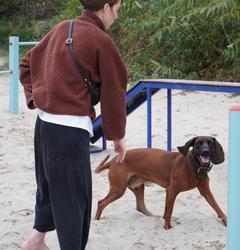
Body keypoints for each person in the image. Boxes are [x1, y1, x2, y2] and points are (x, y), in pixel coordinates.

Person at [20, 0, 127, 249]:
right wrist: (117, 135)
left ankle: (36, 240)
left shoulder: (62, 28)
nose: (117, 17)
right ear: (106, 7)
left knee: (48, 186)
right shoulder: (101, 40)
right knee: (74, 199)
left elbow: (26, 65)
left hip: (44, 125)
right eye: (118, 9)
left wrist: (37, 97)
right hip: (69, 130)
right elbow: (114, 91)